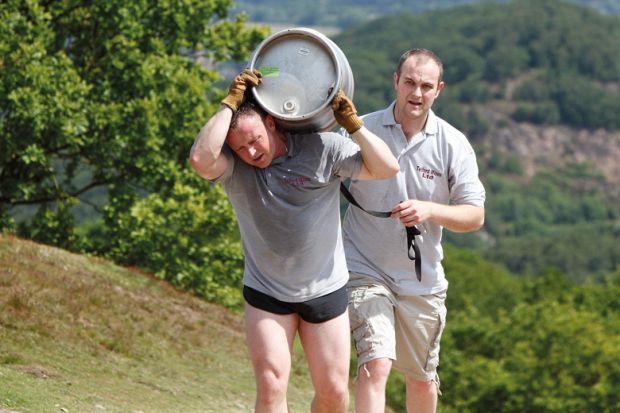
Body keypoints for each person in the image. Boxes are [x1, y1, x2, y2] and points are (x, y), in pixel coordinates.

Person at [189, 68, 399, 413]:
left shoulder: (322, 149)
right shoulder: (234, 169)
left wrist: (353, 125)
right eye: (240, 147)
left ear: (271, 123)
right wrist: (230, 103)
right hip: (267, 293)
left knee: (333, 393)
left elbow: (386, 168)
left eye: (255, 138)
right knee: (272, 384)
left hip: (325, 291)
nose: (251, 151)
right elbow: (200, 159)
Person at [342, 48, 486, 413]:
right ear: (396, 81)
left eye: (425, 86)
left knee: (421, 378)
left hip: (422, 281)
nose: (416, 94)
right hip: (364, 268)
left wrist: (429, 210)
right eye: (409, 82)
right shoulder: (363, 129)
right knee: (375, 365)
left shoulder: (453, 144)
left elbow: (475, 216)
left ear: (439, 89)